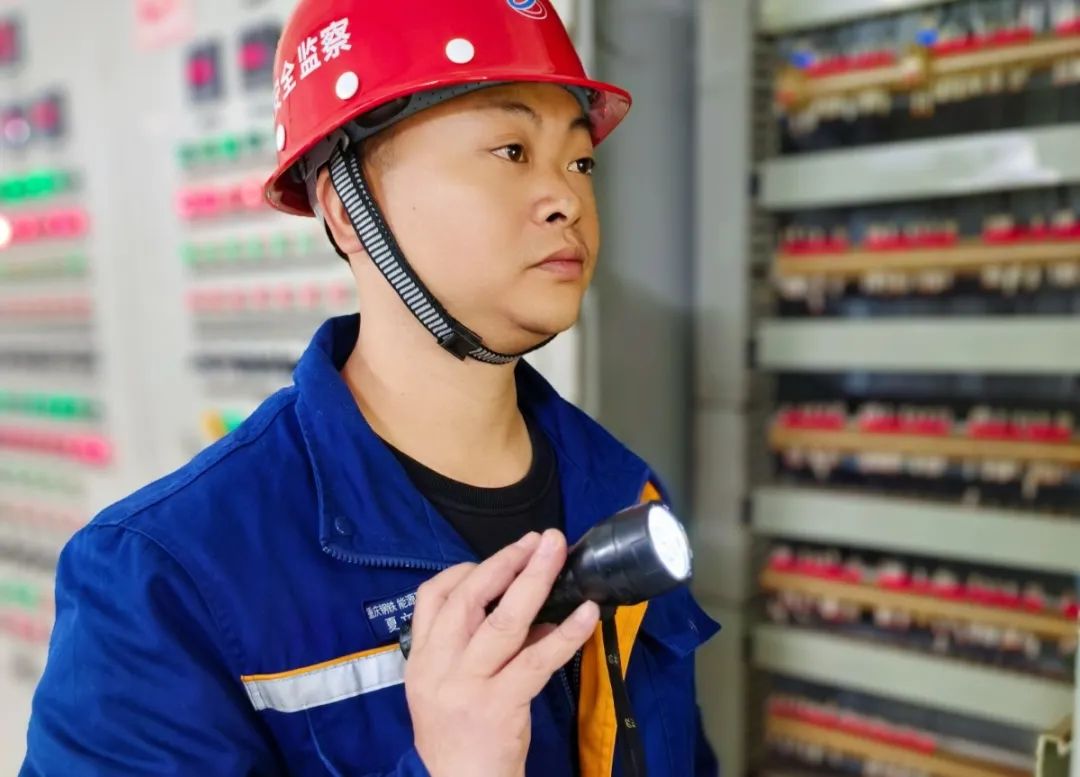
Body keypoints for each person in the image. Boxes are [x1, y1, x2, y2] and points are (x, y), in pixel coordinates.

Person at [21, 1, 720, 775]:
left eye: (580, 162)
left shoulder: (621, 492)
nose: (566, 198)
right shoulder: (163, 580)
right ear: (346, 208)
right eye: (511, 150)